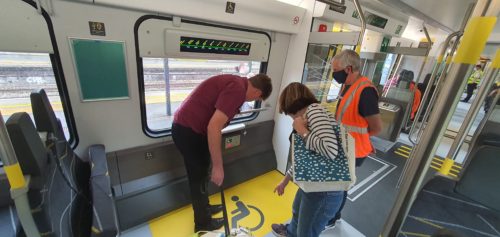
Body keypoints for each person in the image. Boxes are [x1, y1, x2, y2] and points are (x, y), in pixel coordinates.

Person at [171, 73, 272, 232]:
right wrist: (218, 166)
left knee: (202, 173)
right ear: (258, 94)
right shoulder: (238, 90)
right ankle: (202, 223)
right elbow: (213, 127)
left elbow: (214, 120)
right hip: (188, 132)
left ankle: (205, 208)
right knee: (197, 179)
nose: (253, 101)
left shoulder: (236, 83)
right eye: (257, 99)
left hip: (191, 130)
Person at [270, 82, 345, 237]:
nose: (291, 118)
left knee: (306, 231)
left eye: (289, 113)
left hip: (324, 189)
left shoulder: (314, 112)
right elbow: (306, 157)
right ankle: (290, 233)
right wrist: (285, 181)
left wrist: (301, 130)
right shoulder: (306, 116)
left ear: (292, 105)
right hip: (313, 183)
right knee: (297, 213)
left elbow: (330, 150)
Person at [326, 49, 382, 228]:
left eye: (335, 70)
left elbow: (376, 128)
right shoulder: (347, 85)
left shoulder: (365, 91)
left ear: (348, 69)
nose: (334, 74)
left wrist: (362, 140)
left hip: (354, 150)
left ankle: (332, 218)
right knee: (336, 183)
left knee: (339, 185)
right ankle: (335, 214)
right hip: (343, 145)